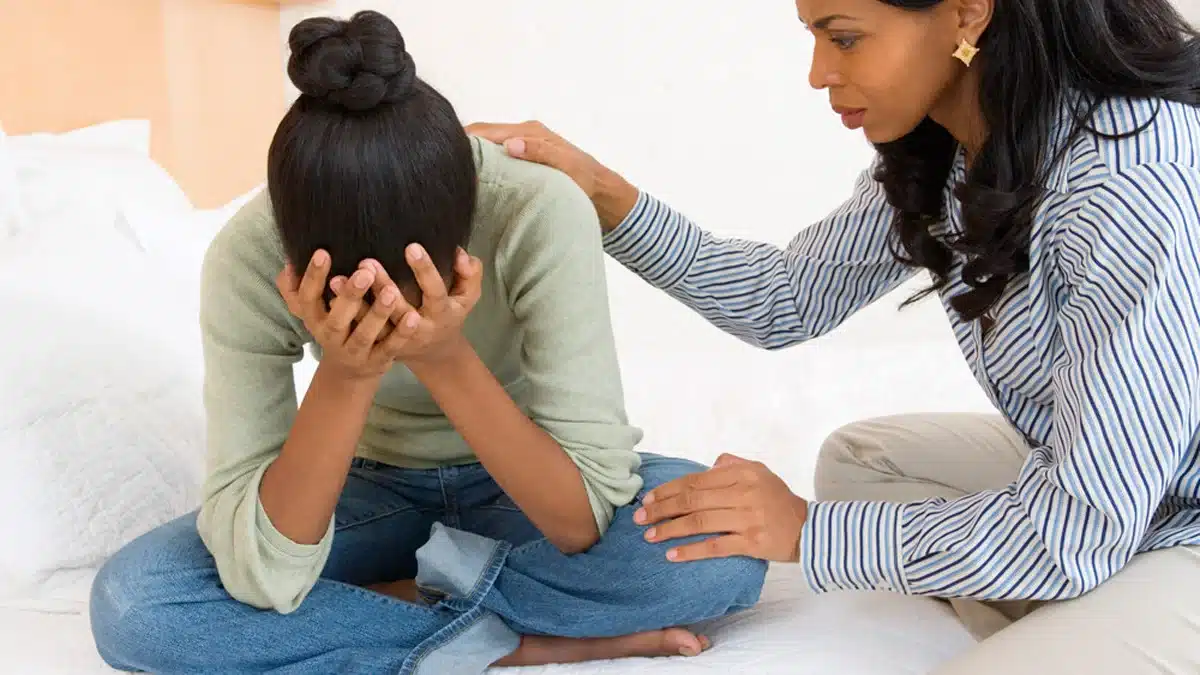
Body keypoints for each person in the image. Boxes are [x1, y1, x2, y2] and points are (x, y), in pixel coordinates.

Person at [468, 0, 1200, 672]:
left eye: (843, 37)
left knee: (1034, 569)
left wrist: (807, 535)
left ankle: (1102, 607)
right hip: (1127, 490)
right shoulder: (957, 141)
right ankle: (1081, 602)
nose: (819, 73)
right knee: (862, 463)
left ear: (968, 14)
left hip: (1171, 521)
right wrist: (604, 194)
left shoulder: (1129, 179)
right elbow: (783, 297)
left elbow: (1080, 525)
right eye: (814, 35)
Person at [87, 11, 765, 675]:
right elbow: (264, 570)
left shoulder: (535, 208)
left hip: (525, 480)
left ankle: (391, 616)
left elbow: (577, 521)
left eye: (411, 280)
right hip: (366, 491)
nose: (386, 305)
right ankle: (510, 638)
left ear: (465, 221)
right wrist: (349, 373)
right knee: (137, 601)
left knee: (725, 549)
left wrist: (443, 355)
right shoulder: (250, 255)